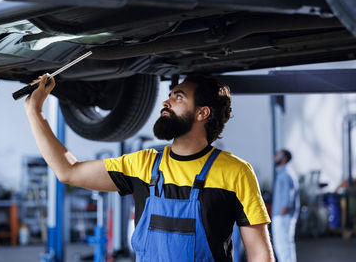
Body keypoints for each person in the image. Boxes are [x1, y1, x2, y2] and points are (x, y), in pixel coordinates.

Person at [24, 74, 274, 262]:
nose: (166, 101)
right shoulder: (143, 164)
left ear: (202, 113)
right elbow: (68, 171)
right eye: (170, 95)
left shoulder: (236, 172)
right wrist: (34, 111)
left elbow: (260, 254)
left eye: (178, 97)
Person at [271, 149, 300, 262]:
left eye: (278, 154)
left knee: (283, 247)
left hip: (283, 216)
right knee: (285, 247)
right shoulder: (283, 173)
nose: (275, 155)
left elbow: (288, 199)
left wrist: (281, 214)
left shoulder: (286, 174)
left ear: (284, 158)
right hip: (282, 216)